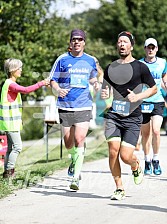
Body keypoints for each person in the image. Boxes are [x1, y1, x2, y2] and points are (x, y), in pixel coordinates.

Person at [101, 31, 157, 200]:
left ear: (131, 46)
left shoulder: (140, 67)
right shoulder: (110, 67)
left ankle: (135, 166)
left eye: (125, 42)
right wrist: (105, 94)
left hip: (133, 117)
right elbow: (106, 89)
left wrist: (138, 97)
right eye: (119, 42)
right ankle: (119, 188)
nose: (122, 44)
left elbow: (153, 88)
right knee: (113, 152)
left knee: (126, 156)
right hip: (113, 116)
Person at [49, 29, 100, 191]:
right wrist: (57, 90)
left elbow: (93, 77)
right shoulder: (62, 60)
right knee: (68, 141)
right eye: (74, 39)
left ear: (84, 42)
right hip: (65, 105)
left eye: (80, 39)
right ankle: (73, 159)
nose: (76, 42)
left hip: (84, 105)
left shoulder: (90, 60)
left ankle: (76, 177)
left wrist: (96, 83)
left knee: (79, 139)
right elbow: (53, 80)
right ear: (70, 43)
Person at [0, 58, 49, 178]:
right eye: (19, 68)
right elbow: (26, 90)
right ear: (12, 70)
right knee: (17, 147)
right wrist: (41, 83)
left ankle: (6, 173)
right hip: (10, 122)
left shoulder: (8, 83)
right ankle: (9, 172)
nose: (21, 70)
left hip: (10, 122)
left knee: (11, 148)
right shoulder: (10, 84)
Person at [140, 38, 167, 175]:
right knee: (146, 134)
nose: (150, 49)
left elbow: (164, 77)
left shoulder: (162, 62)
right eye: (148, 47)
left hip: (158, 101)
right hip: (144, 102)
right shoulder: (139, 64)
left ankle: (156, 159)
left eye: (153, 47)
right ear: (144, 49)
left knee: (156, 130)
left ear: (156, 49)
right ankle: (147, 160)